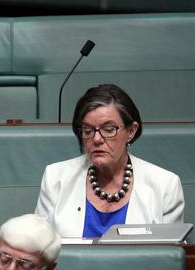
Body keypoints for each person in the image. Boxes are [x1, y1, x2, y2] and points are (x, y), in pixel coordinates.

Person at [35, 83, 184, 238]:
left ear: (131, 131)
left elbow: (170, 256)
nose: (97, 139)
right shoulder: (56, 177)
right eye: (88, 130)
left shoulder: (165, 185)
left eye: (108, 129)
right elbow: (38, 248)